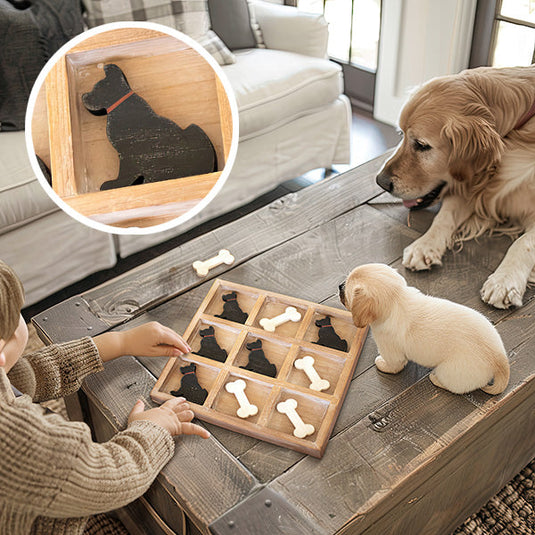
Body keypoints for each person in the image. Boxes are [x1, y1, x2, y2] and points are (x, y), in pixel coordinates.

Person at [0, 260, 210, 534]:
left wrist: (119, 342)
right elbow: (107, 477)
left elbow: (26, 375)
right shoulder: (16, 443)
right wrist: (156, 426)